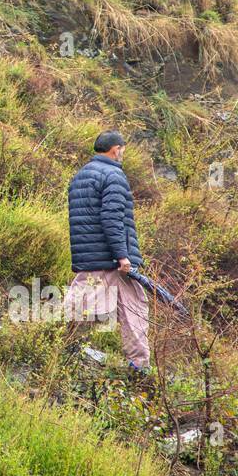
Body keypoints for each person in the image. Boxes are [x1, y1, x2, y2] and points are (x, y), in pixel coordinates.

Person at [63, 131, 150, 372]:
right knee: (135, 308)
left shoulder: (80, 176)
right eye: (123, 149)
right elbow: (112, 218)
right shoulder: (114, 175)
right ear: (115, 150)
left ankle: (60, 349)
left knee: (78, 306)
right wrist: (122, 255)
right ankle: (140, 367)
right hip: (112, 259)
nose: (123, 153)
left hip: (89, 258)